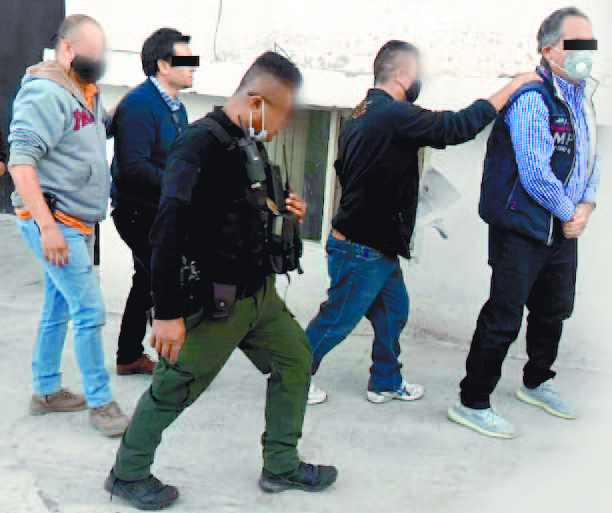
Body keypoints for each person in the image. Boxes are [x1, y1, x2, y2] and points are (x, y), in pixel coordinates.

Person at [104, 52, 337, 510]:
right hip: (214, 303)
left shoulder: (248, 141)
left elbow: (245, 206)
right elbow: (166, 230)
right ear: (256, 102)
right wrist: (167, 313)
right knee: (173, 389)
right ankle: (127, 474)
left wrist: (286, 210)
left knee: (295, 360)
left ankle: (281, 464)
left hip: (259, 297)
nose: (284, 124)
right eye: (282, 113)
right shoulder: (198, 145)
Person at [306, 40, 541, 406]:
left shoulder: (361, 114)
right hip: (361, 248)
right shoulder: (393, 114)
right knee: (336, 319)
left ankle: (385, 382)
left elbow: (350, 172)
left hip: (377, 245)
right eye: (418, 73)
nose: (421, 81)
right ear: (401, 75)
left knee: (393, 313)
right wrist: (514, 86)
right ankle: (291, 378)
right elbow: (455, 127)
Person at [448, 7, 600, 439]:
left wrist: (586, 206)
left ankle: (536, 381)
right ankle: (473, 401)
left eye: (590, 44)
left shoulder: (582, 97)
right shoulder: (532, 97)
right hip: (522, 227)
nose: (587, 53)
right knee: (504, 316)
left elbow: (591, 157)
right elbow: (535, 172)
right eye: (577, 44)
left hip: (563, 228)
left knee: (553, 312)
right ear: (549, 50)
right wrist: (569, 212)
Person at [7, 14, 128, 437]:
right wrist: (47, 228)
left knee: (58, 307)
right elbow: (21, 162)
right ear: (68, 48)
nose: (99, 61)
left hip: (78, 220)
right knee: (90, 310)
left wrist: (123, 109)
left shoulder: (84, 90)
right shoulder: (44, 92)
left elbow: (90, 132)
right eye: (92, 54)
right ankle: (101, 402)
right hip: (56, 222)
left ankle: (45, 392)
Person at [110, 28, 196, 376]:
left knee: (145, 282)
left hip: (160, 210)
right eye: (186, 60)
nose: (194, 66)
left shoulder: (177, 107)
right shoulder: (139, 104)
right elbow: (132, 168)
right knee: (168, 282)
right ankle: (175, 363)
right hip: (137, 212)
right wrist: (180, 186)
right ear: (162, 64)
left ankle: (129, 355)